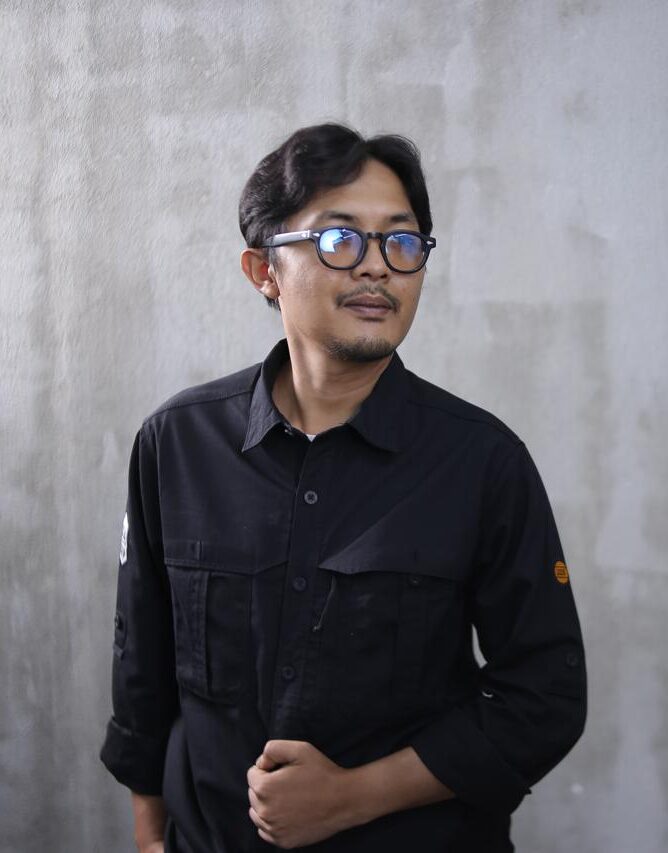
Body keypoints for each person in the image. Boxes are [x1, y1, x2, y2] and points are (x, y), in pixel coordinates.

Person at [100, 123, 587, 853]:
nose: (379, 268)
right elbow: (143, 668)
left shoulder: (483, 461)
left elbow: (546, 694)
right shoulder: (177, 443)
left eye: (402, 242)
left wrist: (352, 797)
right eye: (340, 240)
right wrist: (149, 836)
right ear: (264, 270)